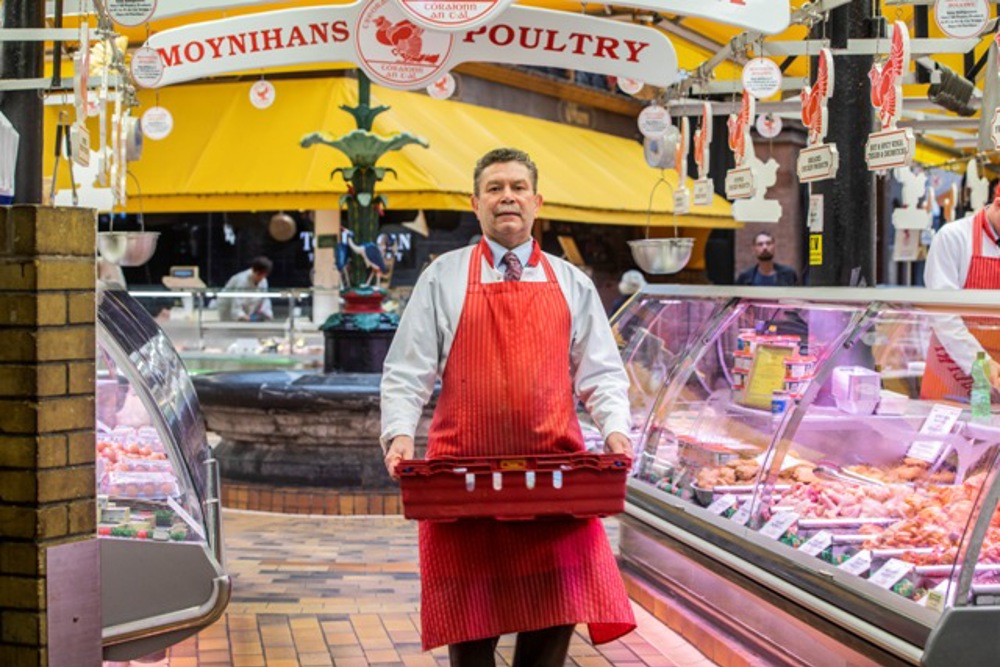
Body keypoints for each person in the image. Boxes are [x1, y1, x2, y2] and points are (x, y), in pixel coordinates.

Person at [380, 147, 635, 665]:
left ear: (537, 201)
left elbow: (602, 372)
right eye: (494, 189)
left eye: (518, 187)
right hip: (463, 489)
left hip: (557, 488)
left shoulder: (572, 282)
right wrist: (399, 434)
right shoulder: (442, 277)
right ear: (476, 204)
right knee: (469, 647)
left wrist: (616, 430)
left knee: (548, 644)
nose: (507, 198)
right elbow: (408, 369)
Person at [921, 194, 1000, 399]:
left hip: (997, 377)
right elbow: (943, 315)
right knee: (956, 429)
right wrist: (981, 363)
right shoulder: (953, 237)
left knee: (987, 429)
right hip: (953, 372)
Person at [218, 256, 274, 322]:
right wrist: (242, 316)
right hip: (228, 312)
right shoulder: (241, 280)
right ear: (253, 270)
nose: (261, 278)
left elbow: (265, 300)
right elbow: (236, 306)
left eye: (264, 275)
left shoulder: (263, 281)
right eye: (259, 274)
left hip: (247, 314)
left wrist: (268, 314)